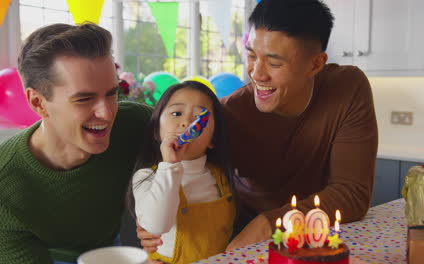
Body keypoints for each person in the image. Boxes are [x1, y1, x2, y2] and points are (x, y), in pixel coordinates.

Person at [138, 0, 378, 254]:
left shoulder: (347, 88)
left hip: (316, 236)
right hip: (242, 236)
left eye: (274, 63)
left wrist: (270, 222)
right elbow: (173, 166)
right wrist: (148, 219)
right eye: (251, 55)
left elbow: (352, 193)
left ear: (315, 65)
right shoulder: (227, 112)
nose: (256, 74)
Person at [0, 23, 152, 264]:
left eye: (111, 94)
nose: (106, 113)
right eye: (84, 99)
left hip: (114, 248)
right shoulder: (5, 186)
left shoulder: (136, 122)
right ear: (38, 102)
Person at [128, 81, 235, 264]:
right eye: (176, 113)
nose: (186, 122)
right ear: (156, 130)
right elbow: (156, 225)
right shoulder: (146, 177)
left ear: (213, 138)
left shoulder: (224, 177)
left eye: (199, 117)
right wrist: (170, 164)